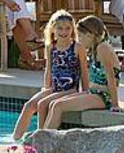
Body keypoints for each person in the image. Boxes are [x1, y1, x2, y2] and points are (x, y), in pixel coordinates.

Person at [11, 10, 89, 140]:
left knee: (43, 104)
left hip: (70, 89)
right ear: (53, 29)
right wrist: (46, 88)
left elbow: (84, 71)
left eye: (67, 28)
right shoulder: (51, 47)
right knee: (29, 105)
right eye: (60, 28)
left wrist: (85, 91)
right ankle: (15, 139)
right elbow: (49, 69)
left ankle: (40, 137)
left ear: (72, 29)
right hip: (54, 88)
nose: (64, 32)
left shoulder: (77, 47)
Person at [42, 16, 124, 129]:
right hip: (93, 92)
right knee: (53, 103)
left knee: (58, 106)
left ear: (89, 35)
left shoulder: (103, 48)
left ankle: (43, 142)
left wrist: (115, 104)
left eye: (80, 36)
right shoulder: (95, 48)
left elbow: (111, 78)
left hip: (104, 96)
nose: (78, 39)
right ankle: (41, 138)